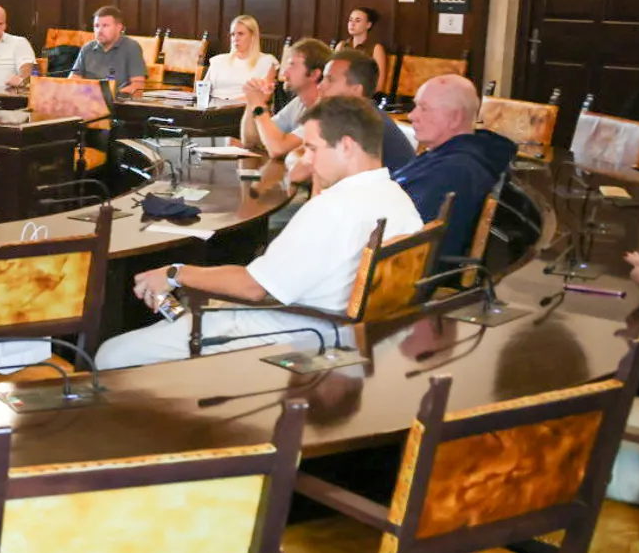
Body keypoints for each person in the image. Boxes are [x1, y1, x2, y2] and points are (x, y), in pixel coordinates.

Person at [97, 96, 424, 368]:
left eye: (313, 148)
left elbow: (253, 288)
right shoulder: (400, 200)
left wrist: (174, 273)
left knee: (111, 355)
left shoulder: (333, 208)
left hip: (288, 335)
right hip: (351, 334)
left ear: (347, 146)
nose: (308, 160)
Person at [392, 74, 516, 266]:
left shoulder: (454, 172)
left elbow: (405, 237)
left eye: (424, 108)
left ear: (455, 118)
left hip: (407, 271)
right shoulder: (450, 154)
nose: (411, 116)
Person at [313, 48, 414, 173]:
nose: (320, 86)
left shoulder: (362, 125)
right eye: (323, 78)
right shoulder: (355, 116)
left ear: (356, 90)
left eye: (330, 80)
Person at [241, 38, 330, 158]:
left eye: (292, 65)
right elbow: (252, 141)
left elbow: (278, 149)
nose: (284, 73)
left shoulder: (326, 111)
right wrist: (253, 100)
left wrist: (258, 105)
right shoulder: (299, 102)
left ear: (314, 74)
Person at [71, 5, 146, 98]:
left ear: (119, 27)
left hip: (118, 102)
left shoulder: (131, 47)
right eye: (96, 26)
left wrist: (108, 96)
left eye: (105, 26)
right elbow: (72, 82)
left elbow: (138, 87)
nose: (99, 31)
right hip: (88, 100)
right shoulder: (87, 48)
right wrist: (90, 93)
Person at [203, 14, 277, 100]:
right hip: (212, 105)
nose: (235, 38)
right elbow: (202, 90)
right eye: (232, 34)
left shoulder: (267, 61)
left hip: (244, 106)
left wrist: (229, 104)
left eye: (240, 34)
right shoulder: (218, 61)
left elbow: (265, 96)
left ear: (253, 36)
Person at [338, 6, 390, 97]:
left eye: (357, 21)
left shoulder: (376, 48)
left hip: (365, 96)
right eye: (350, 20)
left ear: (368, 25)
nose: (352, 24)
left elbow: (379, 83)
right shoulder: (341, 45)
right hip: (341, 93)